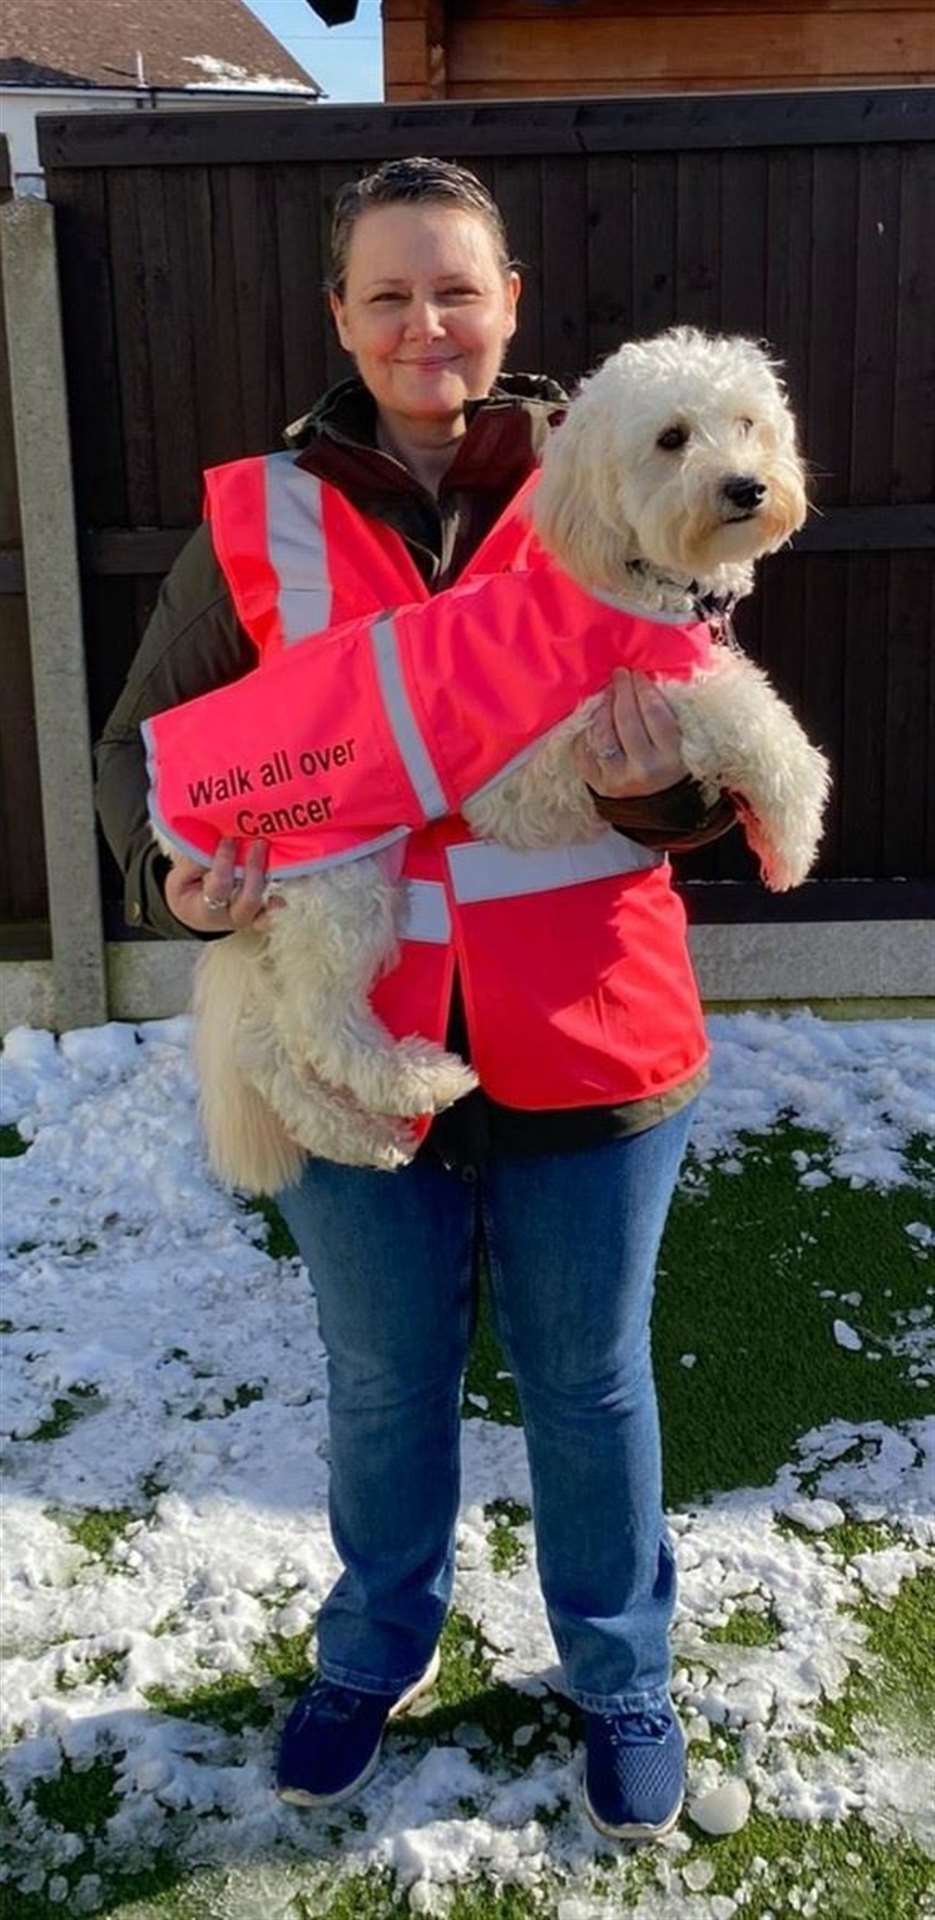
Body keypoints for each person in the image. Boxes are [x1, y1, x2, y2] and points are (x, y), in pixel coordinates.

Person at [95, 157, 736, 1843]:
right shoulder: (256, 512)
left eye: (456, 288)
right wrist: (174, 878)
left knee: (589, 1382)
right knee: (381, 1382)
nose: (424, 324)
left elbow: (718, 762)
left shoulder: (630, 466)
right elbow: (140, 756)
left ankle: (619, 1668)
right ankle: (372, 1649)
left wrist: (661, 794)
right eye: (388, 295)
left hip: (595, 1025)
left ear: (511, 299)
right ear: (340, 320)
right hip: (354, 1037)